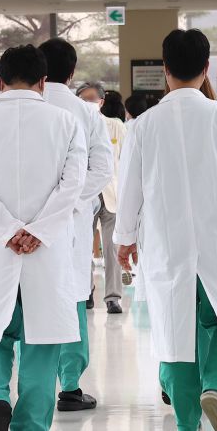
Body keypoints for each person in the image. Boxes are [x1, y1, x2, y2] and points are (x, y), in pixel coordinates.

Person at [114, 29, 217, 431]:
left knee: (175, 333)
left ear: (165, 69)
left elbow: (129, 188)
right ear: (207, 68)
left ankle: (188, 422)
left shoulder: (143, 126)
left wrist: (124, 239)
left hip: (167, 245)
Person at [0, 44, 87, 431]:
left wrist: (7, 229)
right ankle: (30, 424)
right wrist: (38, 231)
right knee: (42, 344)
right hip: (45, 252)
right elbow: (72, 185)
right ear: (43, 82)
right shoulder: (66, 122)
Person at [38, 38, 113, 412]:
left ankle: (34, 383)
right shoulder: (87, 113)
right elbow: (102, 169)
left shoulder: (24, 107)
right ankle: (70, 387)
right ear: (71, 72)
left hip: (25, 221)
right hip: (72, 221)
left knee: (31, 298)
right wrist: (68, 201)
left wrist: (41, 207)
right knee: (71, 296)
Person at [77, 82, 128, 312]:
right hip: (84, 195)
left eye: (92, 99)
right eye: (83, 99)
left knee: (111, 248)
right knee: (82, 246)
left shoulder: (115, 126)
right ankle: (86, 291)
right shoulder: (74, 123)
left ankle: (113, 297)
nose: (88, 103)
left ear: (102, 101)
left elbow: (126, 160)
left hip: (111, 195)